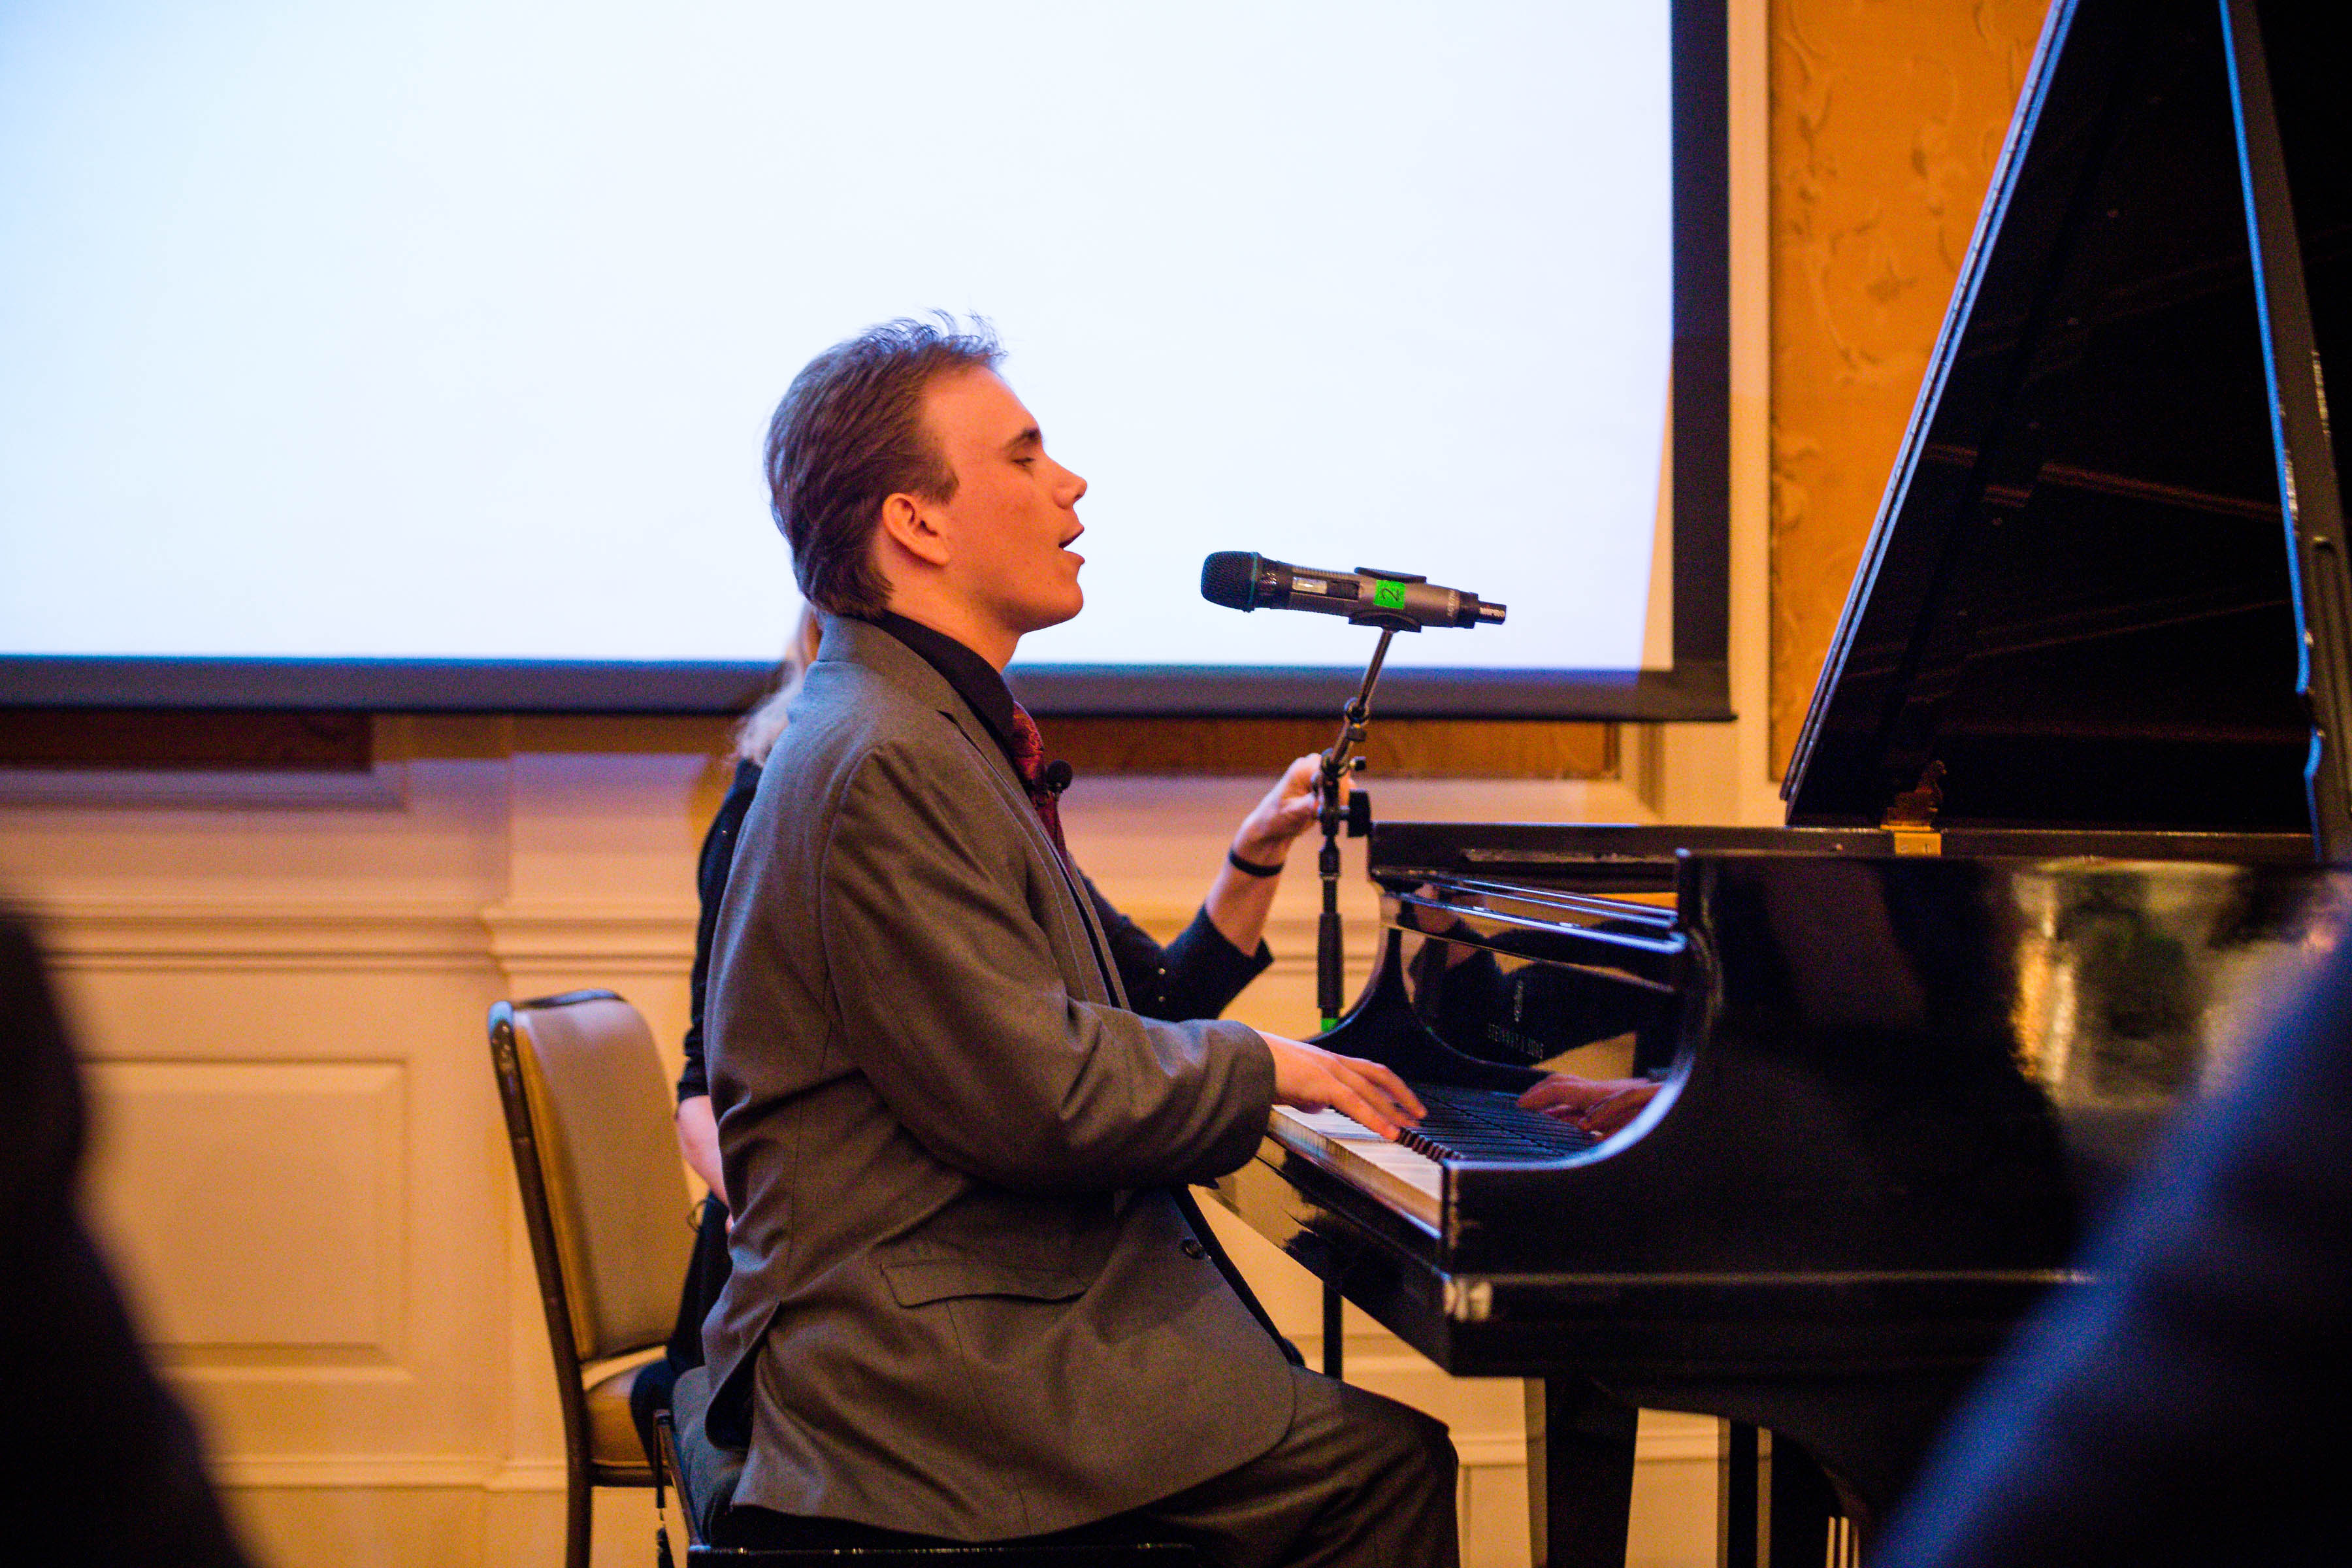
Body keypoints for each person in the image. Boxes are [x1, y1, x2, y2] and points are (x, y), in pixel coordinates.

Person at [694, 317, 1460, 1567]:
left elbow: (1098, 1018)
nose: (1072, 484)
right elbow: (1037, 1093)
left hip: (955, 1321)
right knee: (1378, 1474)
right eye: (1024, 456)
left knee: (1341, 1433)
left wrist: (1258, 1055)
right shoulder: (888, 753)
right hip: (912, 1375)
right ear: (916, 522)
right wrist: (1270, 1067)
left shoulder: (915, 724)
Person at [632, 608, 1345, 1468]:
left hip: (945, 1280)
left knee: (1245, 1383)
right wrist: (812, 1229)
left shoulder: (972, 777)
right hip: (815, 1305)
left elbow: (1157, 999)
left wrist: (1256, 852)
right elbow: (703, 1099)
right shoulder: (812, 785)